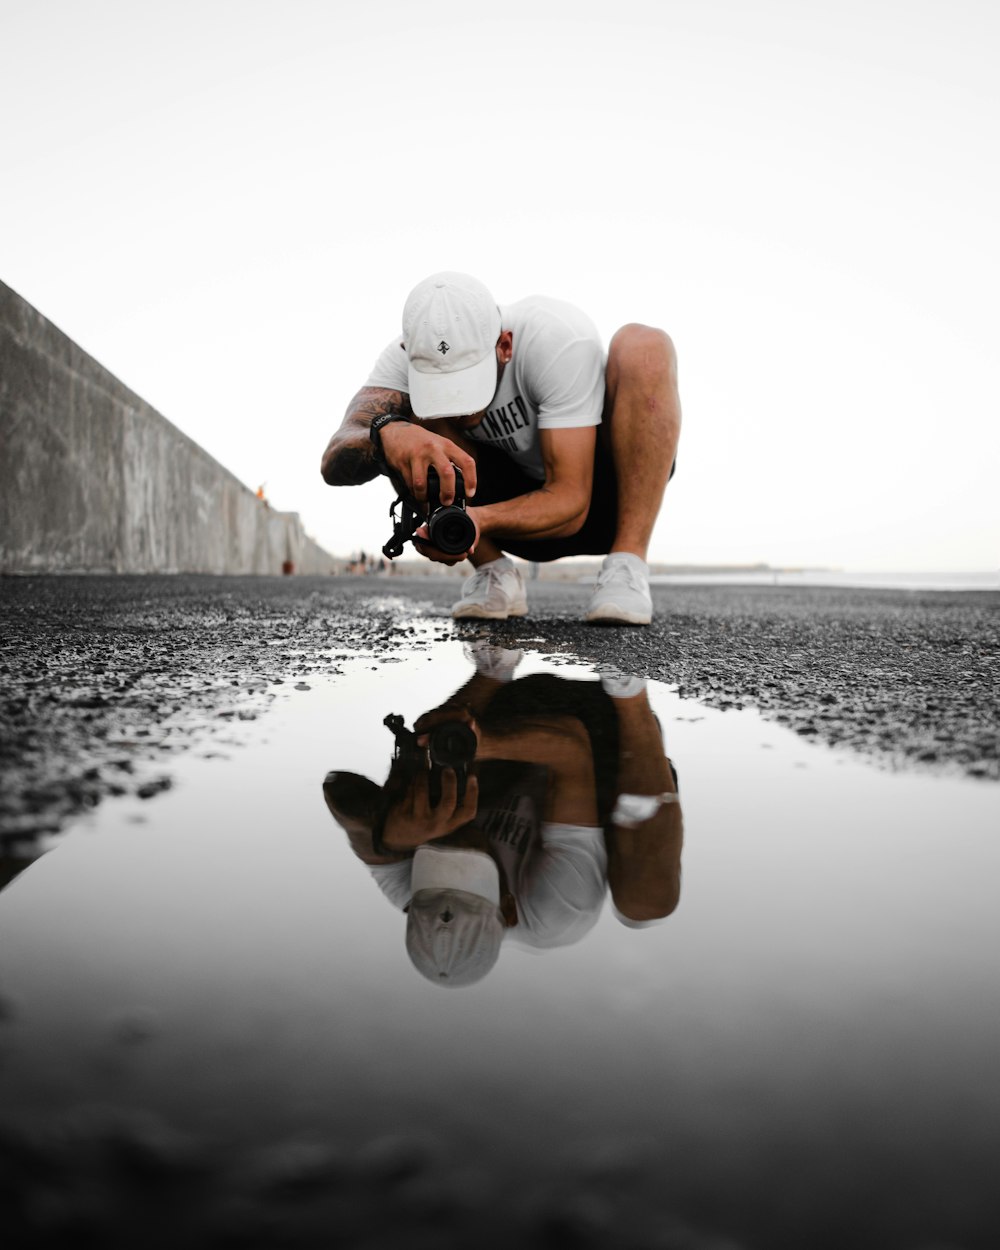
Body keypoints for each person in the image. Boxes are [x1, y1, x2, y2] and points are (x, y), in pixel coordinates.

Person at [320, 272, 682, 624]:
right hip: (490, 524)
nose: (459, 407)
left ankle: (627, 565)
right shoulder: (402, 360)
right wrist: (389, 435)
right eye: (441, 386)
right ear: (407, 353)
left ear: (505, 345)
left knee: (644, 346)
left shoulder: (556, 336)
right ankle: (494, 573)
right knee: (396, 423)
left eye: (466, 383)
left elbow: (573, 500)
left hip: (598, 504)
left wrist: (480, 520)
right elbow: (334, 459)